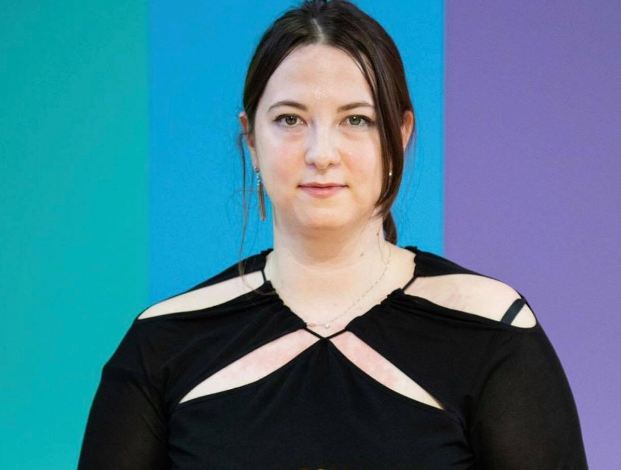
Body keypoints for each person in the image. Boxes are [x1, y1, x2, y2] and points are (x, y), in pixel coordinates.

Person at [77, 1, 588, 468]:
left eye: (356, 120)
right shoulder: (162, 343)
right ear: (251, 139)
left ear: (401, 134)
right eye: (290, 119)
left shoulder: (491, 329)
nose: (321, 153)